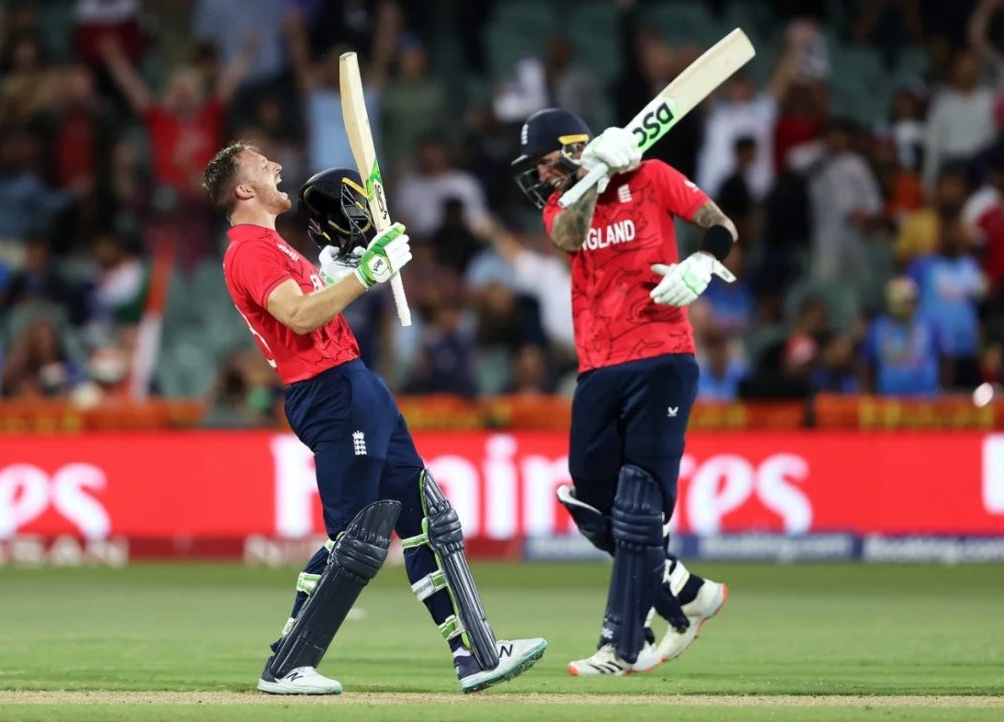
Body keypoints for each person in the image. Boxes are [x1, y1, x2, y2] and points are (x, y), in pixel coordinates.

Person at [202, 143, 546, 695]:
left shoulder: (274, 247)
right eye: (263, 165)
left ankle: (477, 653)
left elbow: (314, 303)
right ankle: (287, 665)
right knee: (357, 538)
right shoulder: (248, 249)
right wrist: (365, 274)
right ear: (243, 190)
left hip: (355, 383)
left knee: (431, 522)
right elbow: (296, 314)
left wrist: (342, 266)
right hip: (329, 392)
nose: (277, 167)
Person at [511, 108, 733, 675]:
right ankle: (685, 593)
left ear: (567, 147)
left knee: (639, 502)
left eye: (543, 164)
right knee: (588, 497)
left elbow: (721, 226)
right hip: (598, 365)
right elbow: (568, 237)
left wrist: (703, 262)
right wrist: (590, 177)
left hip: (662, 354)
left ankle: (621, 646)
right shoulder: (564, 204)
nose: (540, 178)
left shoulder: (652, 176)